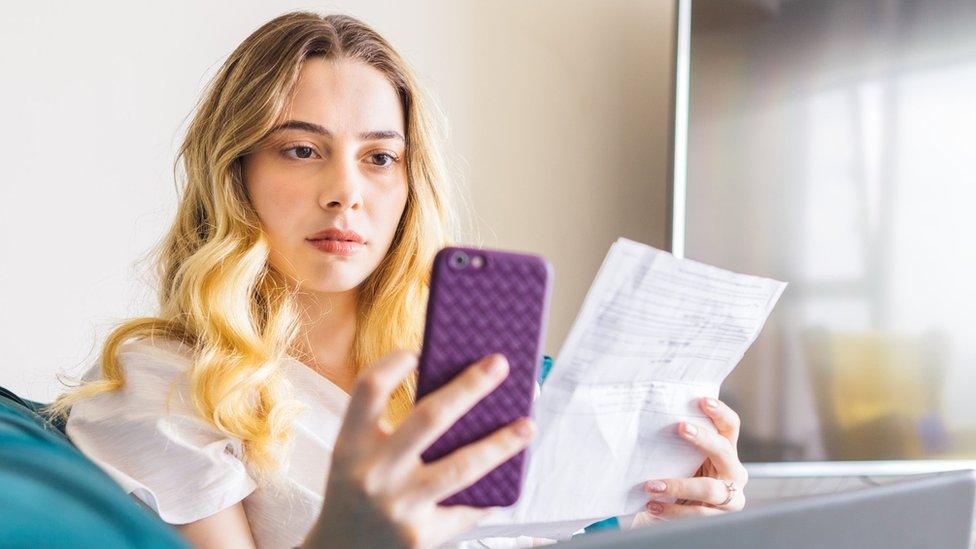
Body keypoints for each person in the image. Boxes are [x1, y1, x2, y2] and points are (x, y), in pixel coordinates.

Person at [47, 11, 749, 549]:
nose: (345, 191)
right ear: (237, 174)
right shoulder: (169, 386)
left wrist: (666, 517)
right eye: (301, 149)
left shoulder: (477, 376)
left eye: (380, 157)